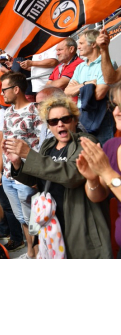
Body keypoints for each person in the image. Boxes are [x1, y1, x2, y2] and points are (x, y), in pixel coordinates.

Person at [5, 94, 112, 259]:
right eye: (53, 121)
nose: (60, 124)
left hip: (80, 222)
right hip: (53, 224)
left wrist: (29, 154)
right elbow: (38, 179)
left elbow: (72, 176)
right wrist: (18, 164)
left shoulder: (86, 141)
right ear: (48, 126)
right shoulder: (48, 146)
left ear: (75, 120)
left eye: (65, 119)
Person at [0, 71, 42, 258]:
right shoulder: (8, 112)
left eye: (4, 89)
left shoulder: (35, 110)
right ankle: (30, 252)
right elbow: (3, 143)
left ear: (16, 89)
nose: (2, 94)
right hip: (8, 175)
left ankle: (38, 254)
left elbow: (43, 142)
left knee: (33, 219)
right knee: (21, 217)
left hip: (27, 174)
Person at [77, 81, 121, 258]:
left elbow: (109, 178)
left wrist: (107, 172)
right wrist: (92, 179)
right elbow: (98, 196)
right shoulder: (112, 146)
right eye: (116, 105)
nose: (116, 112)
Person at [64, 28, 114, 145]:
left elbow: (99, 94)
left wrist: (78, 89)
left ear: (93, 44)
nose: (78, 47)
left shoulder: (106, 64)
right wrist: (87, 84)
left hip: (101, 115)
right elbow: (67, 91)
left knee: (104, 154)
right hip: (81, 115)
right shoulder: (80, 67)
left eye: (81, 43)